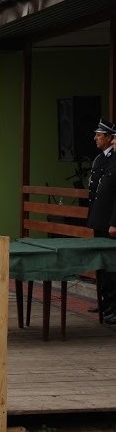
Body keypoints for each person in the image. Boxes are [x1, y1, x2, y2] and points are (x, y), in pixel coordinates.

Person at [86, 119, 116, 323]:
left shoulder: (115, 160)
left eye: (99, 134)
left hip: (110, 222)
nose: (95, 137)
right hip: (99, 219)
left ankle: (113, 306)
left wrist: (114, 222)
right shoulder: (99, 160)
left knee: (112, 267)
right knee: (101, 265)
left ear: (109, 138)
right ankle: (105, 302)